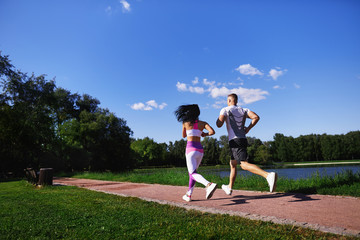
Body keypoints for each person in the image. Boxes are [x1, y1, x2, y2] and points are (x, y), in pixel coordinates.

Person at [216, 93, 278, 195]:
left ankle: (268, 175)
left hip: (234, 141)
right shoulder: (244, 110)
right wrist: (248, 128)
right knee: (233, 164)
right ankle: (229, 187)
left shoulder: (225, 109)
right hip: (242, 139)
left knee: (243, 165)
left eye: (227, 100)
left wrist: (219, 120)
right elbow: (256, 117)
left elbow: (219, 124)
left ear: (230, 101)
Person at [175, 104, 218, 202]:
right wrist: (204, 134)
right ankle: (189, 195)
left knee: (193, 173)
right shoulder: (203, 123)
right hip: (200, 151)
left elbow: (183, 135)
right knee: (193, 174)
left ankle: (208, 185)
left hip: (190, 150)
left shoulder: (185, 123)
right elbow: (212, 132)